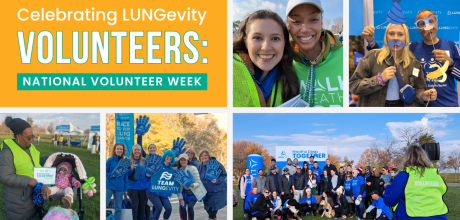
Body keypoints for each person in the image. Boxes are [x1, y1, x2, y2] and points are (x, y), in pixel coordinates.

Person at [363, 9, 460, 107]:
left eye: (431, 21)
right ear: (418, 28)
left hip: (449, 105)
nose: (427, 27)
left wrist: (451, 63)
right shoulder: (412, 48)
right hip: (421, 106)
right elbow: (386, 57)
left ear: (436, 23)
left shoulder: (451, 45)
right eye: (422, 24)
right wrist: (371, 41)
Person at [351, 23, 435, 107]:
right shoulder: (372, 56)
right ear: (386, 37)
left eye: (400, 34)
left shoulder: (414, 63)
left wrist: (423, 95)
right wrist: (379, 80)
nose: (395, 38)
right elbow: (353, 85)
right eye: (391, 34)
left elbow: (419, 89)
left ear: (406, 38)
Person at [233, 9, 299, 107]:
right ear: (246, 41)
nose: (266, 47)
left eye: (275, 38)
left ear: (284, 43)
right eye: (257, 38)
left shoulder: (289, 74)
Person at [286, 0, 344, 107]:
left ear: (321, 23)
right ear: (288, 26)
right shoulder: (283, 63)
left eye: (313, 19)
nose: (305, 29)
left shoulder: (345, 56)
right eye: (296, 21)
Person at [384, 145, 448, 219]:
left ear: (406, 158)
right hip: (439, 216)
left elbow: (390, 201)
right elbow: (442, 191)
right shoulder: (435, 174)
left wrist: (388, 187)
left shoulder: (404, 175)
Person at [0, 116, 40, 220]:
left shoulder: (30, 147)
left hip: (31, 197)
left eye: (32, 136)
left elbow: (35, 162)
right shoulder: (7, 153)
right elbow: (4, 177)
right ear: (18, 135)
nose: (31, 140)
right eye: (29, 137)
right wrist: (28, 180)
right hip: (18, 202)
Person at [197, 150, 227, 220]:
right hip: (206, 193)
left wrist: (217, 180)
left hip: (217, 191)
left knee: (212, 213)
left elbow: (224, 174)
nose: (203, 157)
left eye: (205, 155)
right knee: (211, 213)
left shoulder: (216, 164)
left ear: (209, 156)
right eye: (202, 155)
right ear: (200, 157)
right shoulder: (199, 167)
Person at [176, 154, 207, 220]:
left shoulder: (193, 168)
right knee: (182, 206)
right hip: (185, 194)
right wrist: (181, 199)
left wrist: (191, 184)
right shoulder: (178, 171)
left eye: (184, 159)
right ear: (179, 161)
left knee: (190, 207)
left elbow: (198, 183)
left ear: (187, 161)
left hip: (194, 193)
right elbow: (178, 188)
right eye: (181, 159)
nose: (183, 161)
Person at [106, 143, 129, 220]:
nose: (119, 150)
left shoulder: (125, 162)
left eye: (121, 149)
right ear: (115, 150)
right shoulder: (110, 160)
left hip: (120, 188)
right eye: (118, 149)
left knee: (118, 208)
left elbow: (126, 177)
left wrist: (125, 189)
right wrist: (112, 175)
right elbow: (104, 172)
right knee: (104, 204)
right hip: (110, 186)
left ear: (123, 151)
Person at [126, 144, 150, 220]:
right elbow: (125, 175)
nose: (137, 151)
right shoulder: (128, 161)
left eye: (138, 150)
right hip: (132, 187)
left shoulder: (144, 161)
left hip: (143, 187)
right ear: (132, 151)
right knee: (134, 206)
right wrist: (131, 169)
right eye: (135, 150)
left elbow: (147, 174)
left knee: (142, 207)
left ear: (140, 151)